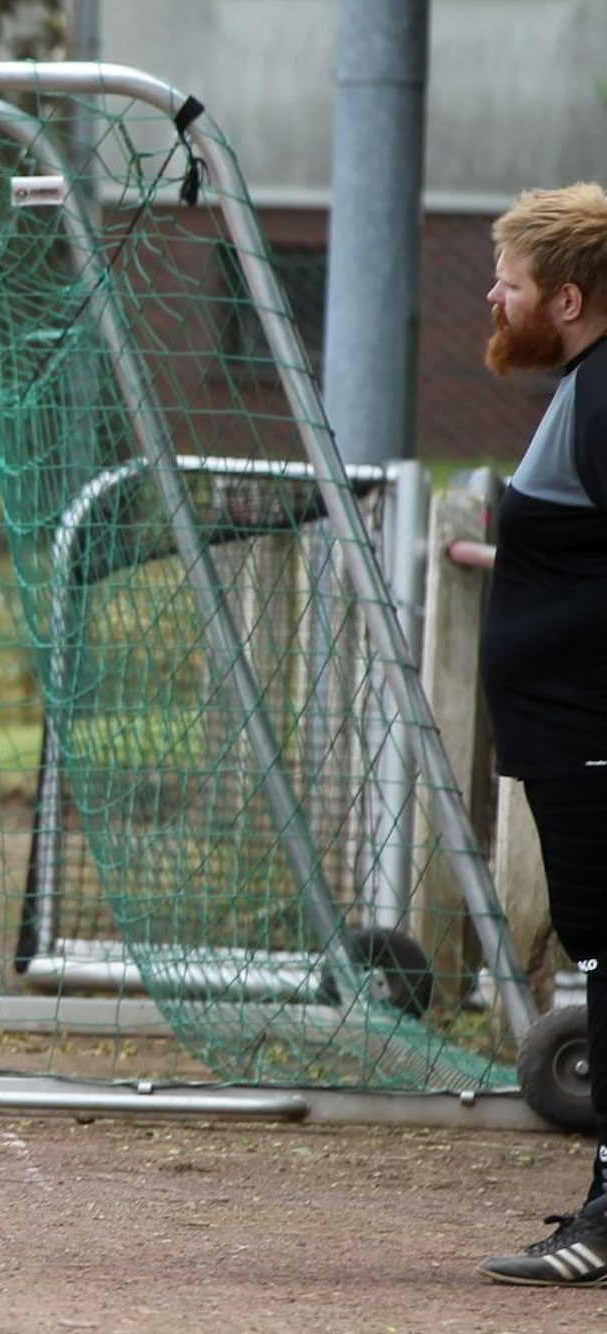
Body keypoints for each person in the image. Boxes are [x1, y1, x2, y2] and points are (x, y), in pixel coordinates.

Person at [476, 181, 607, 1284]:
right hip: (568, 736)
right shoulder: (581, 386)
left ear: (566, 298)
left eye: (509, 282)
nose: (494, 297)